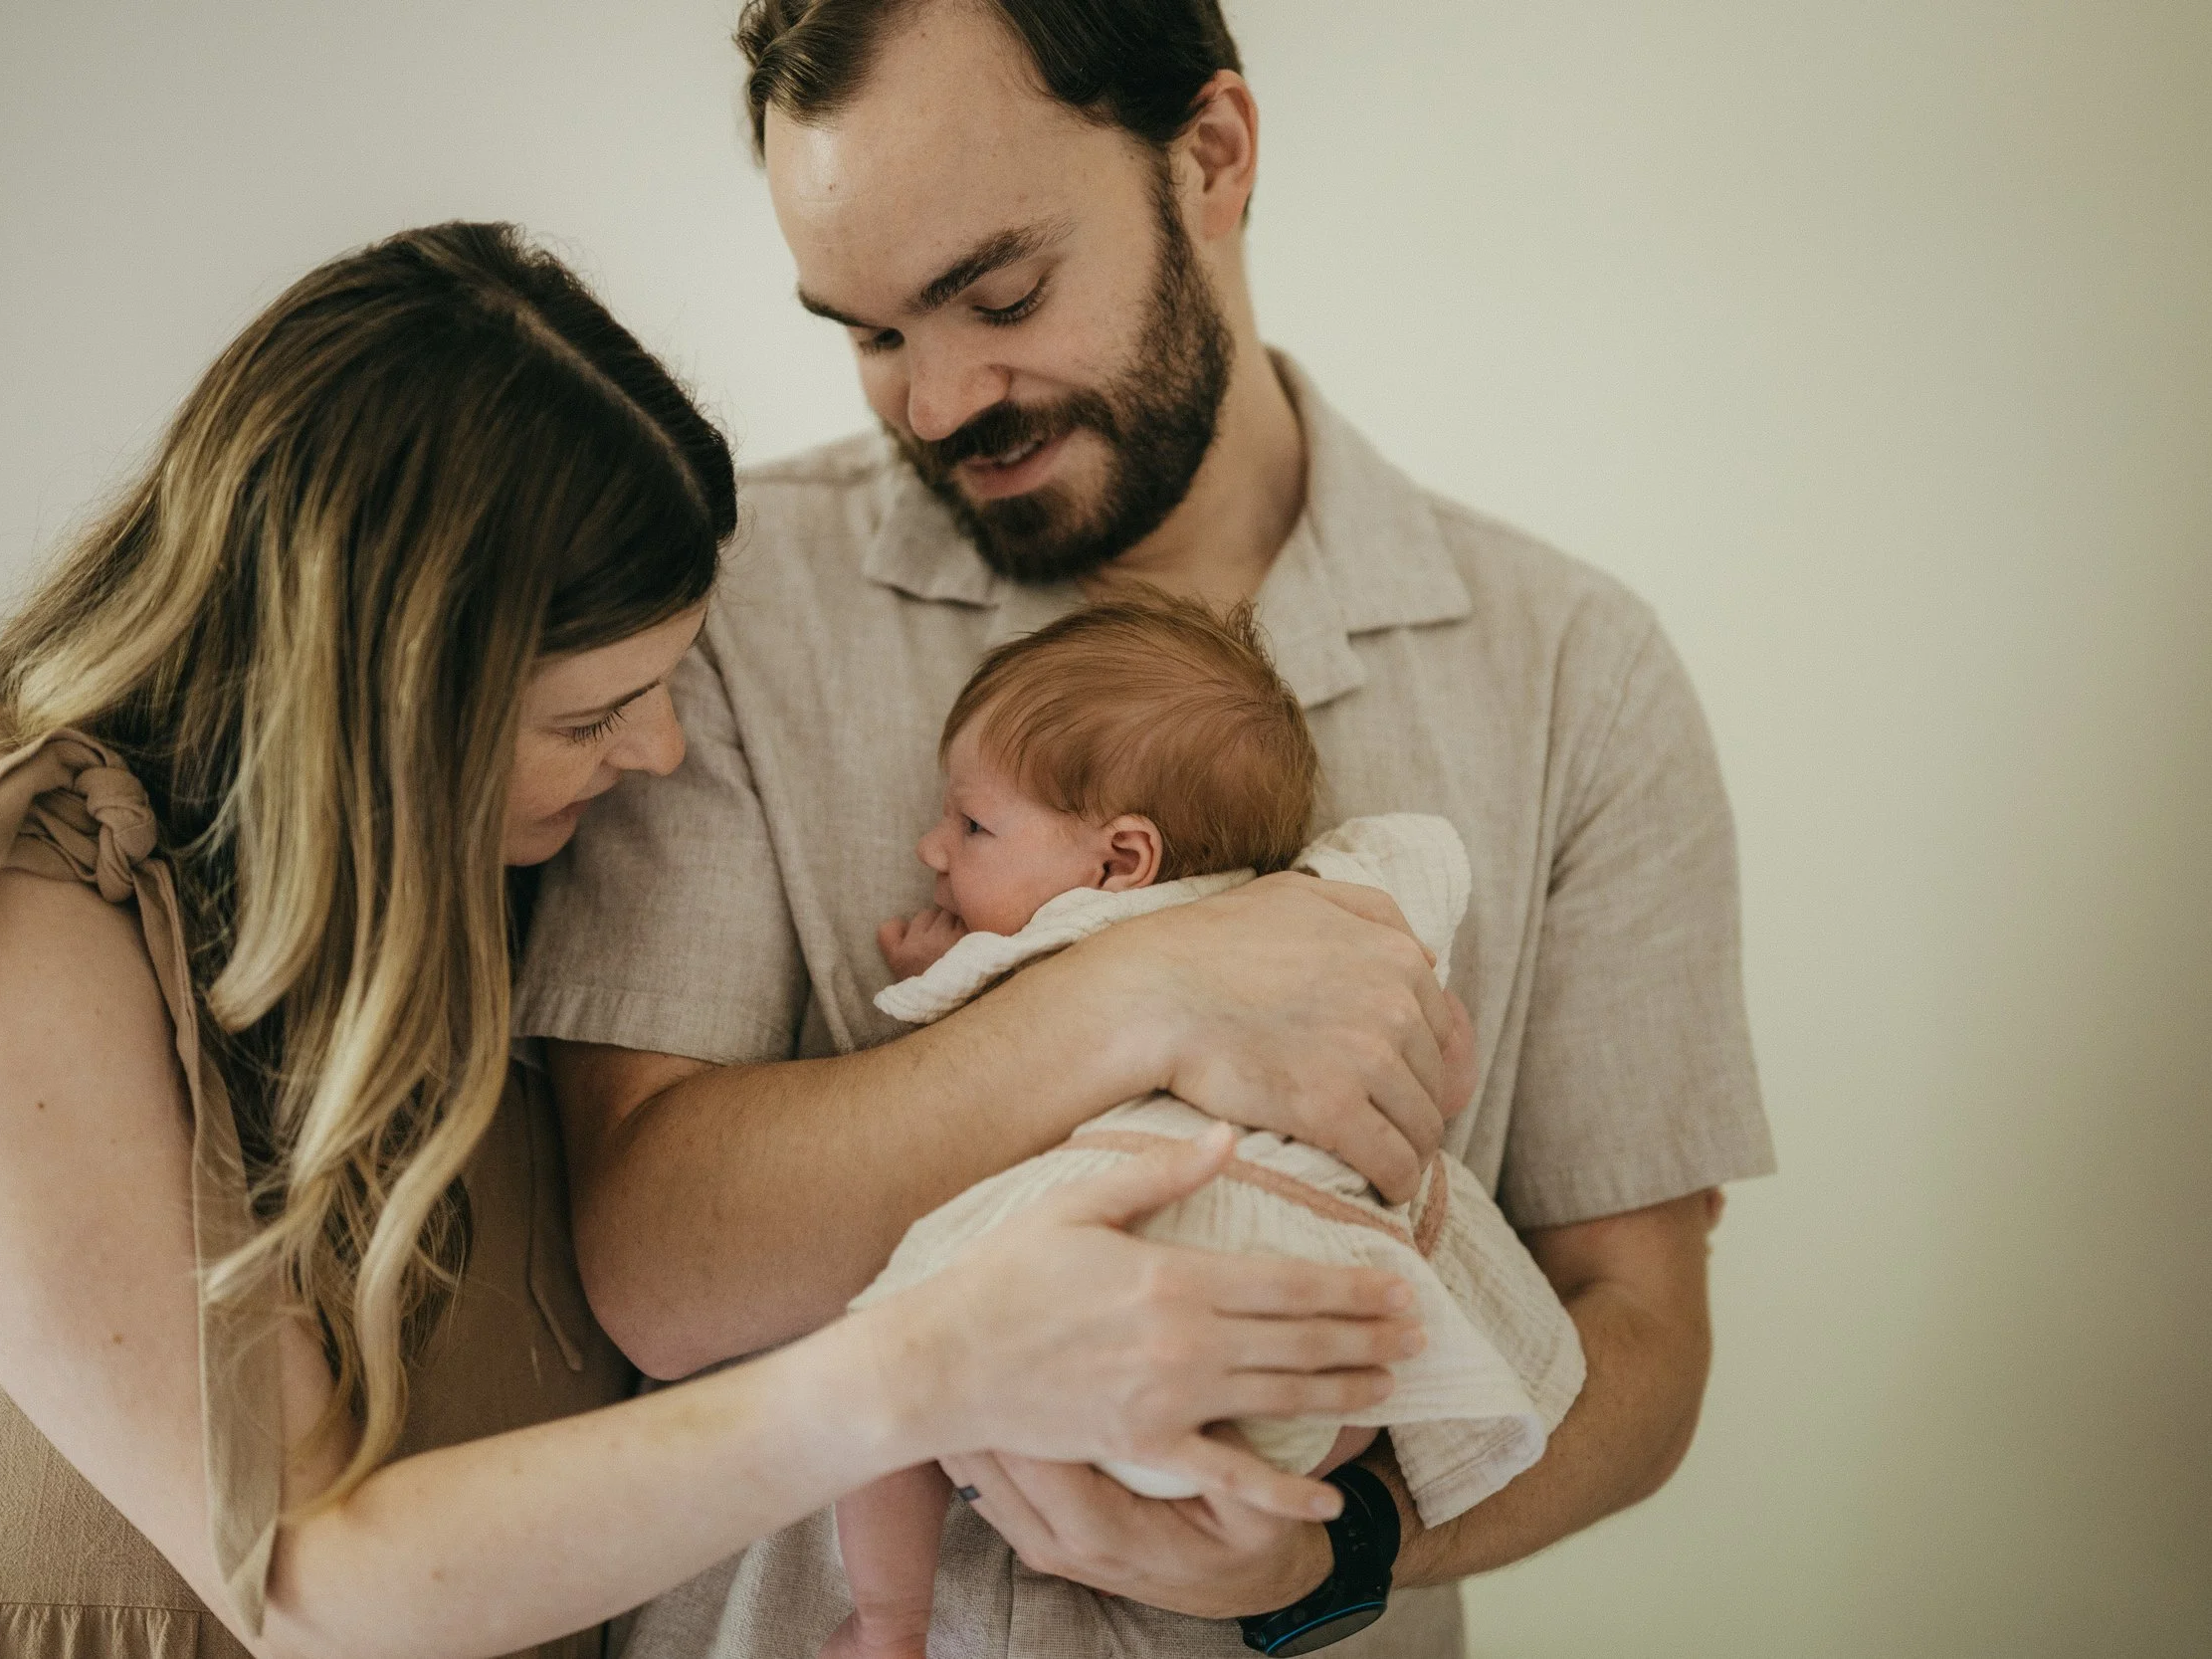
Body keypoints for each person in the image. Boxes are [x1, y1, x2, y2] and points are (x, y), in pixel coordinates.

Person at [0, 221, 1434, 1659]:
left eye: (662, 689)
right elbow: (304, 1572)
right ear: (387, 696)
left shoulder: (485, 873)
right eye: (593, 711)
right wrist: (924, 1363)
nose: (659, 754)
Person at [521, 1, 1774, 1655]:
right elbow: (655, 1267)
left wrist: (1332, 1549)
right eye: (873, 332)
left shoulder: (1574, 673)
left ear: (1212, 159)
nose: (937, 401)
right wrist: (1142, 992)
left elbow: (1642, 1330)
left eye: (1001, 296)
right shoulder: (730, 617)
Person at [827, 594, 1586, 1659]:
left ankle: (886, 1620)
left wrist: (940, 969)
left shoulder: (1059, 941)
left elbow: (972, 1062)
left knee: (882, 1369)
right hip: (1304, 1333)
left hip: (1132, 1271)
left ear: (1120, 861)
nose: (932, 845)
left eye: (973, 825)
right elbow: (1437, 1059)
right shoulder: (1318, 922)